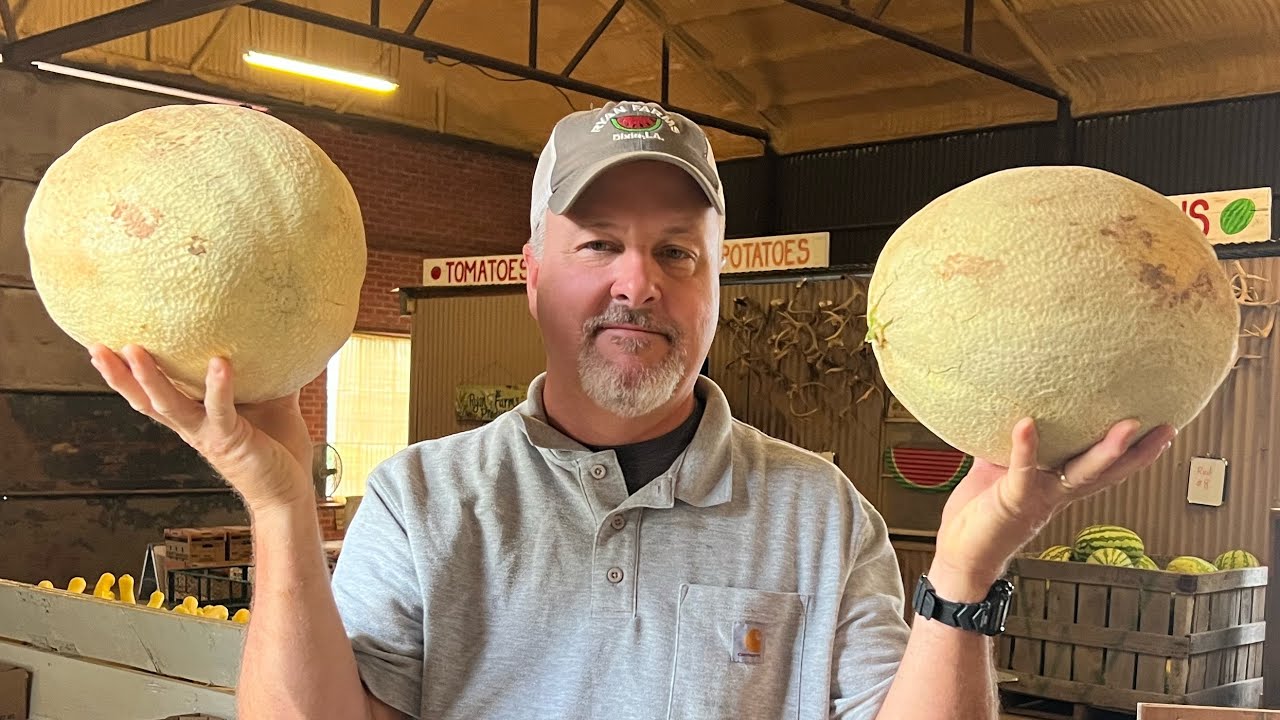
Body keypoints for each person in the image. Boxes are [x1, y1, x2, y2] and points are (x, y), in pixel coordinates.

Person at [89, 100, 1176, 719]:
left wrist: (964, 575)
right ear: (528, 274)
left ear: (713, 285)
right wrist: (279, 509)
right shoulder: (425, 497)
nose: (635, 283)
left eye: (674, 253)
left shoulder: (815, 510)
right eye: (597, 244)